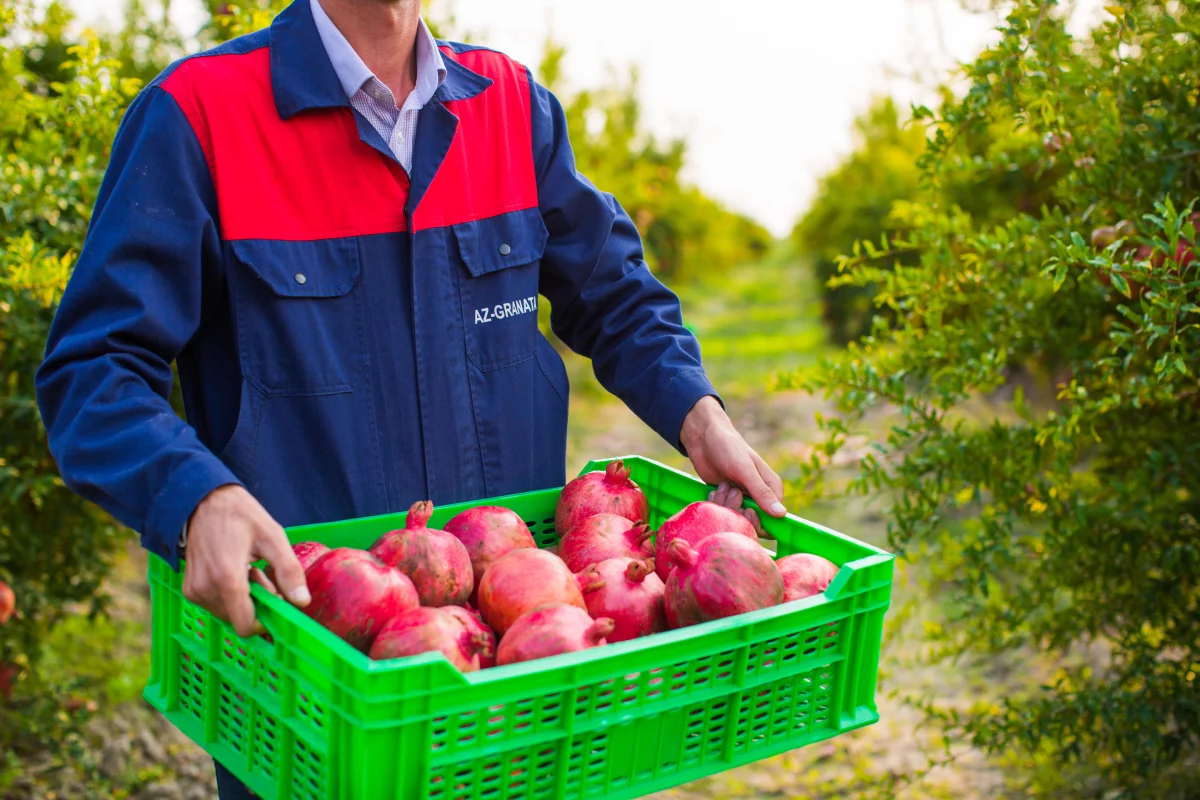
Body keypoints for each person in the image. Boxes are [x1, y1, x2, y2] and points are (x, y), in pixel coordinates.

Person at [35, 0, 786, 796]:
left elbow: (615, 294)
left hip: (519, 660)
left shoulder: (508, 106)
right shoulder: (200, 116)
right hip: (312, 673)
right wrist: (196, 495)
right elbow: (95, 370)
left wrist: (696, 411)